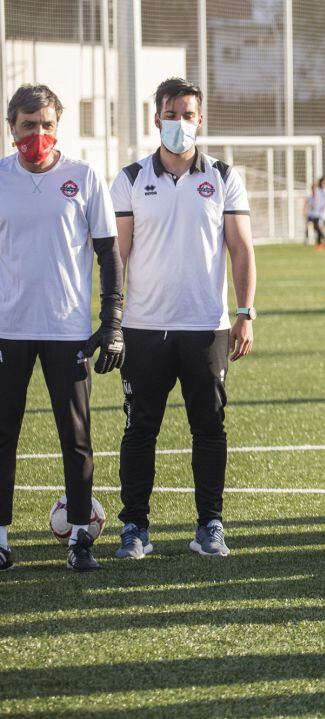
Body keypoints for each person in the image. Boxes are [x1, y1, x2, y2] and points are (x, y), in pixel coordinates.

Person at [111, 77, 257, 559]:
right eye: (170, 114)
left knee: (210, 427)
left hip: (206, 326)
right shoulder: (131, 178)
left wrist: (244, 313)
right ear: (156, 118)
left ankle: (210, 525)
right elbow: (119, 257)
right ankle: (134, 527)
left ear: (201, 119)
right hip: (144, 328)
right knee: (140, 428)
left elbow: (241, 249)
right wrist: (113, 319)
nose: (179, 122)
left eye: (187, 114)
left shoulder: (223, 175)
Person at [0, 84, 123, 572]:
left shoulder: (84, 177)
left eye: (46, 125)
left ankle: (79, 539)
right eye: (29, 125)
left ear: (58, 127)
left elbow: (109, 254)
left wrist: (112, 321)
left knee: (75, 437)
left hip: (66, 329)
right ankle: (1, 538)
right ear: (12, 127)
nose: (38, 134)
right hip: (8, 329)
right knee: (2, 434)